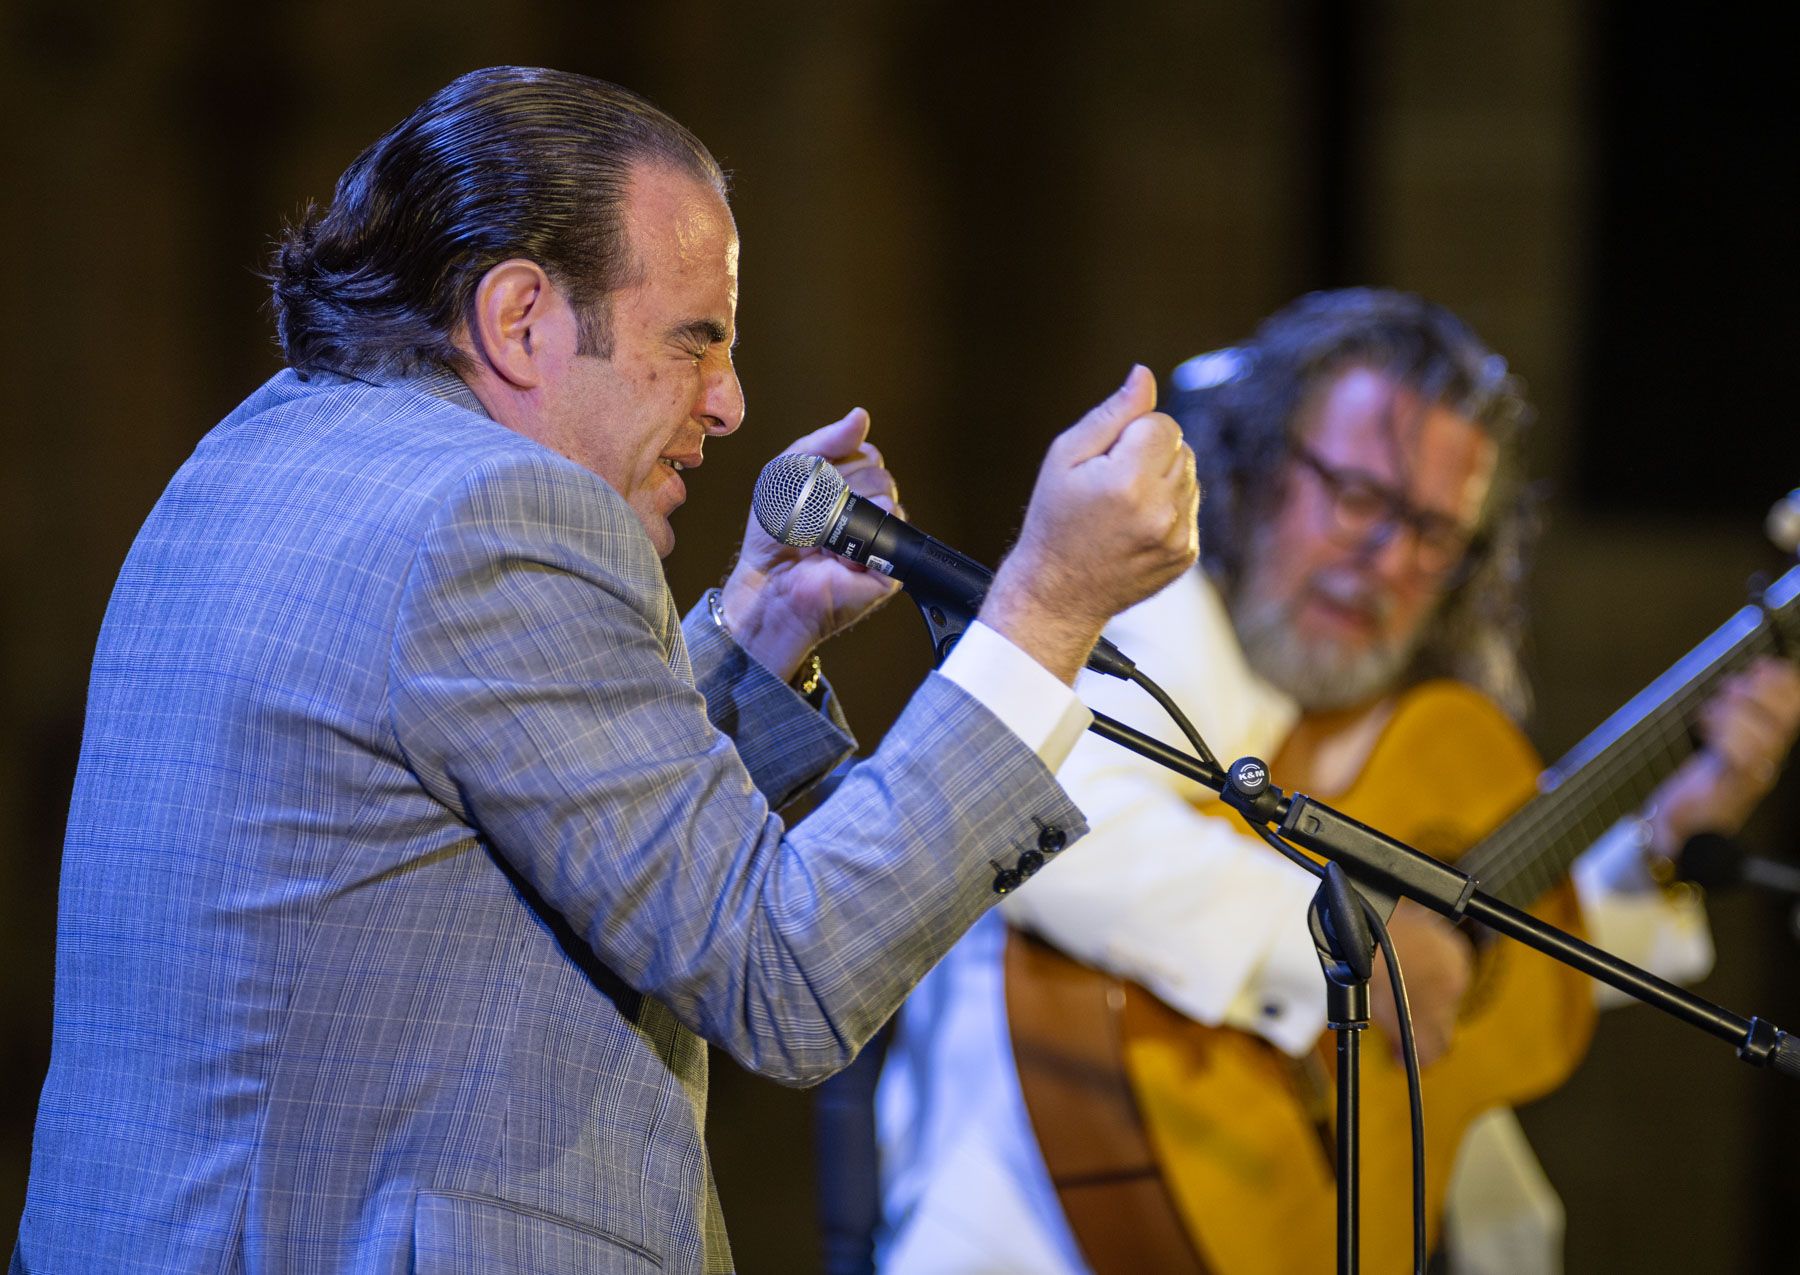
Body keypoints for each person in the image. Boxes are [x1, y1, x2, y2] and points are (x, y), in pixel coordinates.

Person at [9, 67, 1201, 1275]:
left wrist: (756, 629)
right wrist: (1048, 606)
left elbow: (523, 807)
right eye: (696, 343)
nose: (731, 405)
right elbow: (786, 972)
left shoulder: (262, 452)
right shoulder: (498, 510)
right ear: (521, 317)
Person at [875, 288, 1800, 1274]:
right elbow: (1036, 824)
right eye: (1360, 498)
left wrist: (1668, 839)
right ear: (1262, 464)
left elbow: (1482, 970)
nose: (1387, 559)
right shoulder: (1150, 620)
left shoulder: (1399, 721)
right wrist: (1361, 944)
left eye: (1435, 534)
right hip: (1024, 1231)